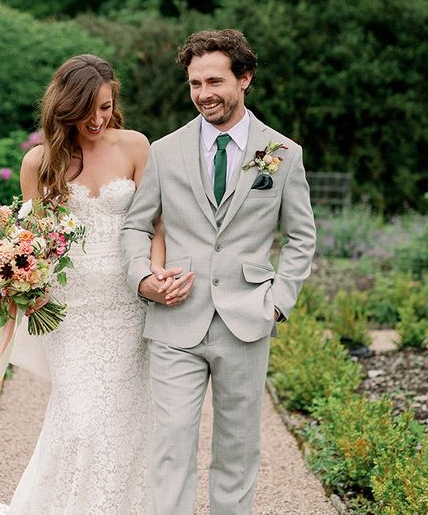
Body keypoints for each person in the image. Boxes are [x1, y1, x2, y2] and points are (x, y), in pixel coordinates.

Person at [121, 29, 316, 515]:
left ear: (244, 78)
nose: (204, 94)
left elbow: (301, 237)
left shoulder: (283, 153)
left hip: (247, 321)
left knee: (237, 448)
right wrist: (143, 278)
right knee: (172, 443)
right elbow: (135, 224)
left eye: (214, 81)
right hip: (174, 320)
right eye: (194, 84)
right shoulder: (165, 151)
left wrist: (278, 302)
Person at [0, 54, 193, 515]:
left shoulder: (137, 146)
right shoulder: (39, 163)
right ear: (66, 105)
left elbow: (154, 225)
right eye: (88, 109)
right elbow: (35, 239)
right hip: (72, 308)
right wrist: (19, 278)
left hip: (128, 302)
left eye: (106, 107)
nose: (98, 119)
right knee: (80, 417)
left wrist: (154, 276)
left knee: (126, 417)